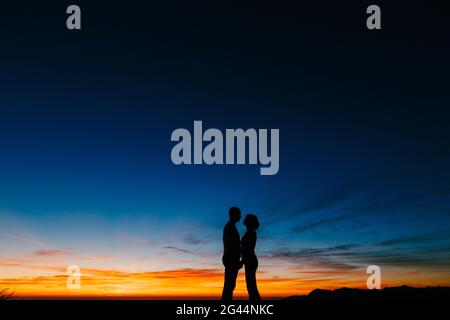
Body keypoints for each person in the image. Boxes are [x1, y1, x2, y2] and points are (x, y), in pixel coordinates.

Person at [221, 206, 243, 301]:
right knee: (229, 285)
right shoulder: (230, 227)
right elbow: (231, 245)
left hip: (231, 258)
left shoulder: (231, 226)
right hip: (231, 258)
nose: (240, 216)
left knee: (230, 285)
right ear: (233, 215)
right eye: (238, 214)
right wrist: (235, 260)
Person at [241, 213, 261, 301]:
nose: (244, 221)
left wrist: (242, 261)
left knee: (251, 286)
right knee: (251, 286)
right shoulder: (249, 233)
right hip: (249, 260)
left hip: (250, 260)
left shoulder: (251, 233)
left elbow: (248, 249)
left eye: (246, 219)